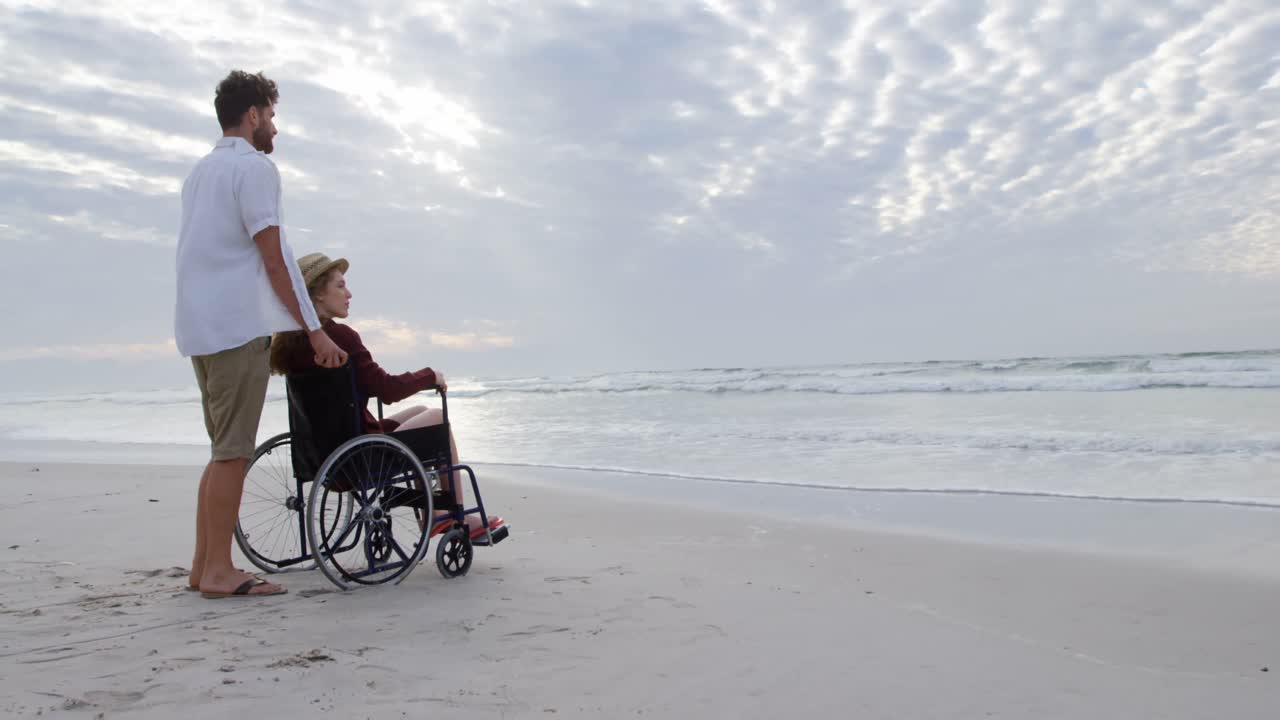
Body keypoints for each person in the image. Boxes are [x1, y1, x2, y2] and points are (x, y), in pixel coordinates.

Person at [175, 71, 347, 599]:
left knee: (220, 451)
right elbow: (276, 260)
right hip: (234, 326)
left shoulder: (201, 172)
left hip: (198, 327)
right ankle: (221, 572)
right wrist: (314, 331)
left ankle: (205, 566)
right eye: (271, 116)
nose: (273, 126)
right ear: (252, 115)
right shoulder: (253, 169)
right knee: (232, 453)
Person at [269, 253, 505, 540]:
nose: (349, 294)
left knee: (419, 410)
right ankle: (449, 513)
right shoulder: (340, 337)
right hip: (359, 455)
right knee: (437, 419)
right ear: (317, 295)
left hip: (322, 456)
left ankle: (435, 512)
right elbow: (387, 389)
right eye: (341, 286)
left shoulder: (290, 346)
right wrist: (430, 376)